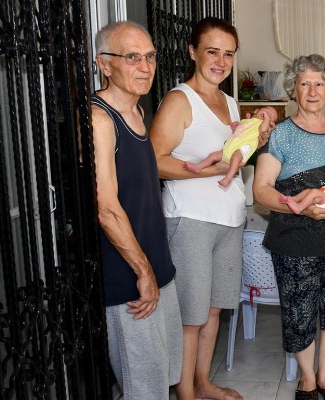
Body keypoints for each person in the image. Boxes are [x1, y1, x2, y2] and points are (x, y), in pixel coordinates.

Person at [150, 17, 275, 400]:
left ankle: (203, 383)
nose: (221, 61)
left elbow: (233, 155)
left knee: (214, 311)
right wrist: (215, 168)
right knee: (191, 315)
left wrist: (258, 138)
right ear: (193, 52)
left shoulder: (229, 101)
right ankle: (185, 392)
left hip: (229, 218)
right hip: (191, 221)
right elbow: (154, 160)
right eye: (212, 52)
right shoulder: (178, 100)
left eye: (228, 54)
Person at [252, 54, 325, 400]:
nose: (312, 90)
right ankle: (306, 378)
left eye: (319, 83)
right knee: (299, 310)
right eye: (304, 83)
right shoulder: (281, 135)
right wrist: (302, 212)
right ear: (293, 90)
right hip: (296, 239)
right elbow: (261, 191)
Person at [91, 21, 182, 399]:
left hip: (155, 264)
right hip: (127, 274)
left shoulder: (136, 111)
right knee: (144, 385)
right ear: (104, 64)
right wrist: (142, 271)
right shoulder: (98, 120)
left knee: (163, 373)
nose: (145, 66)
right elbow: (106, 207)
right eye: (132, 57)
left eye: (149, 56)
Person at [182, 107, 279, 187]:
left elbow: (262, 130)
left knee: (236, 158)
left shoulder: (260, 124)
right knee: (213, 155)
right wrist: (235, 127)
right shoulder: (246, 121)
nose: (268, 115)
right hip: (231, 146)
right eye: (267, 111)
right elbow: (239, 132)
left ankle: (228, 178)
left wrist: (266, 120)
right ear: (256, 111)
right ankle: (198, 167)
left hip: (243, 148)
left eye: (271, 117)